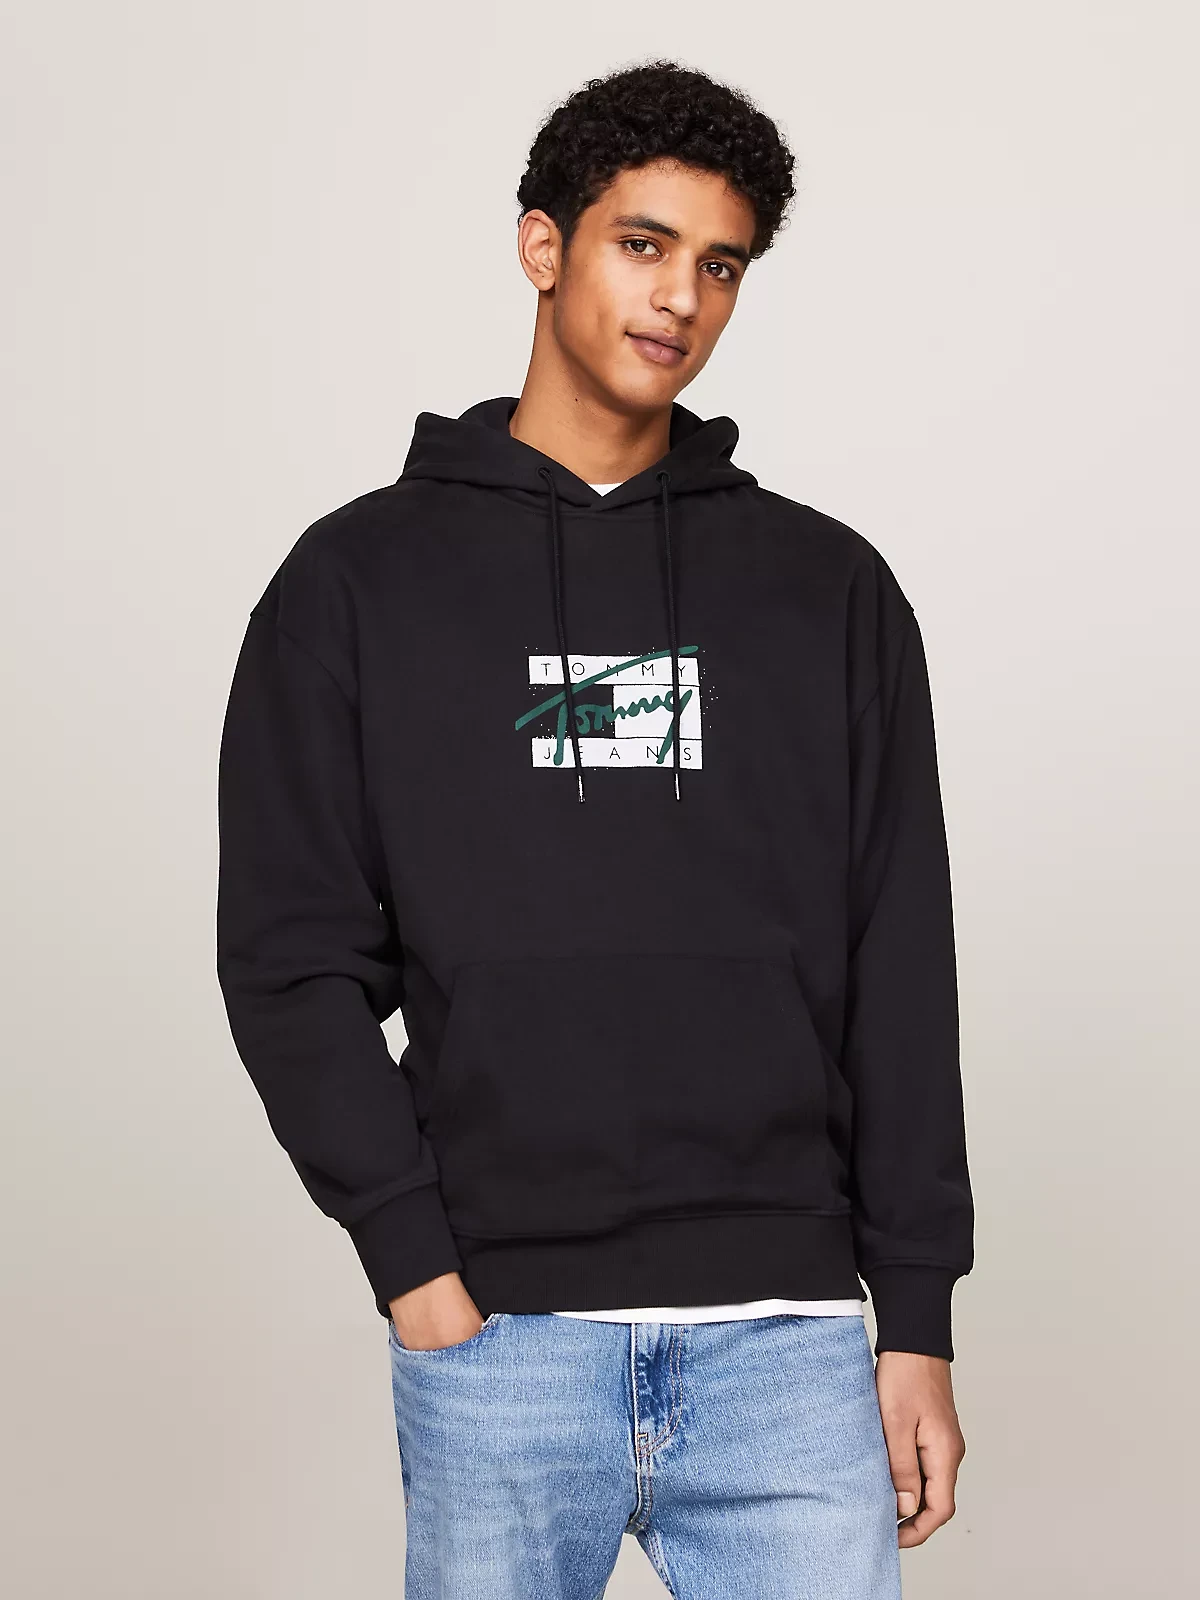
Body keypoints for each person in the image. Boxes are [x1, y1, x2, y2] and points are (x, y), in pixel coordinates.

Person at [216, 59, 973, 1600]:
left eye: (721, 264)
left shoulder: (827, 593)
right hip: (500, 1336)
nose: (681, 296)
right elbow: (291, 961)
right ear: (543, 245)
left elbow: (901, 965)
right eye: (643, 244)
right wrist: (416, 1272)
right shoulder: (354, 585)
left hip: (789, 1349)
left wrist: (916, 1317)